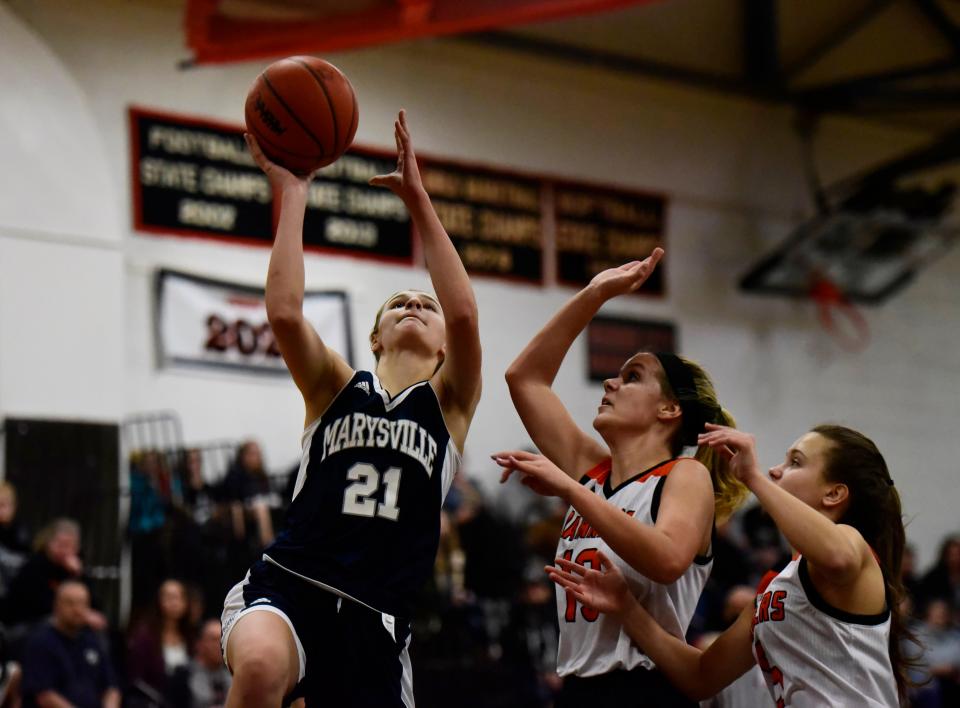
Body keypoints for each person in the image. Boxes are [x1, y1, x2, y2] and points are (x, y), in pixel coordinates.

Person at [221, 109, 482, 708]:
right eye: (399, 303)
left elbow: (464, 311)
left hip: (377, 620)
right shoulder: (335, 386)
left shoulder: (450, 405)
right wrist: (292, 190)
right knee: (260, 669)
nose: (415, 304)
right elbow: (285, 313)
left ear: (444, 346)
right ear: (375, 338)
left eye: (426, 303)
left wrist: (419, 200)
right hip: (292, 586)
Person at [495, 253, 746, 708]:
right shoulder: (592, 471)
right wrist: (595, 293)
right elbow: (525, 378)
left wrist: (569, 489)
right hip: (577, 686)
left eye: (632, 377)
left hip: (645, 687)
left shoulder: (684, 474)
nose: (609, 383)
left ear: (669, 411)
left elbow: (668, 558)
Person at [548, 424, 910, 707]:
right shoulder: (777, 587)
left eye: (795, 462)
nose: (775, 470)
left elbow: (836, 556)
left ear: (834, 493)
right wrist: (627, 608)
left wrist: (750, 477)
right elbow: (701, 676)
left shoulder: (854, 549)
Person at [20, 580, 119, 708]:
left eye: (82, 603)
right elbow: (45, 696)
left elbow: (111, 688)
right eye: (70, 603)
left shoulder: (92, 640)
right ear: (56, 605)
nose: (77, 609)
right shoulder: (40, 642)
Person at [125, 578, 195, 707]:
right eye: (169, 597)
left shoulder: (191, 635)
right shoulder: (145, 637)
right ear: (158, 601)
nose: (174, 603)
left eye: (178, 597)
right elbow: (136, 680)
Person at [187, 619, 231, 708]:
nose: (220, 645)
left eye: (222, 639)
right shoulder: (182, 676)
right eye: (214, 640)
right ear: (199, 644)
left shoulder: (231, 674)